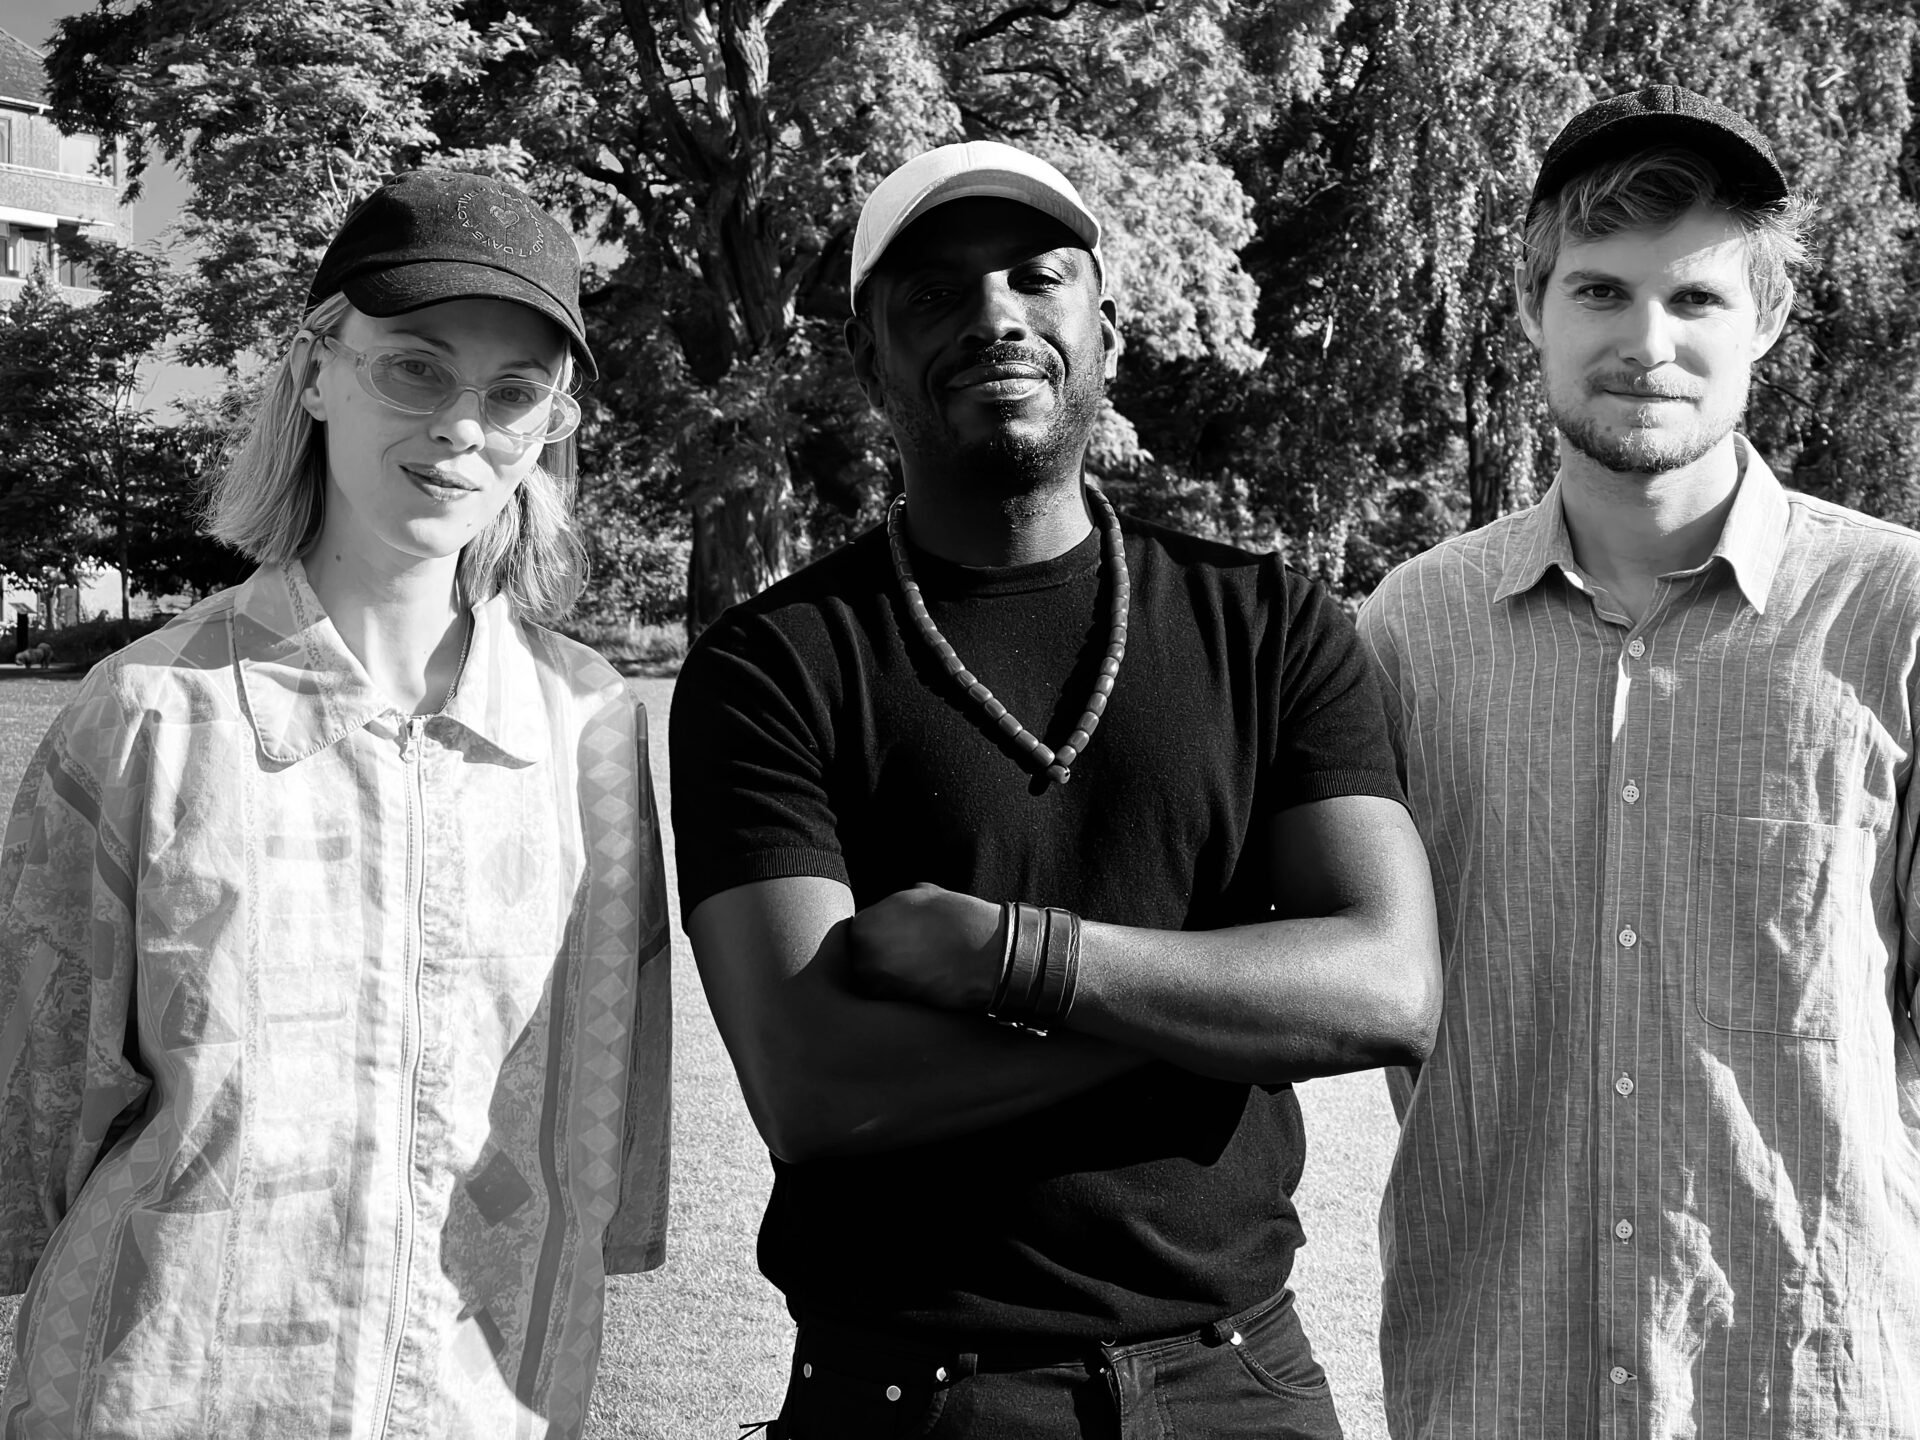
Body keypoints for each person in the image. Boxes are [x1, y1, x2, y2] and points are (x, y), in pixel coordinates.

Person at [669, 139, 1442, 1439]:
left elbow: (1386, 989)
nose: (994, 316)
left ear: (1109, 331)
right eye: (934, 292)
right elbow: (818, 1088)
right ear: (867, 358)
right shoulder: (773, 665)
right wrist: (1231, 996)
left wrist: (1016, 957)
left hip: (1242, 1385)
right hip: (915, 1397)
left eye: (1038, 275)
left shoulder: (1270, 624)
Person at [0, 169, 672, 1438]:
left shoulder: (588, 727)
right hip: (166, 1399)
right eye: (415, 368)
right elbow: (37, 1119)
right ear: (317, 371)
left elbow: (600, 1128)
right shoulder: (146, 715)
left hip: (481, 1404)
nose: (461, 427)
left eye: (513, 393)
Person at [1359, 86, 1920, 1438]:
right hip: (1497, 1380)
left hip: (1809, 1383)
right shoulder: (1412, 631)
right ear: (1533, 306)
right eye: (1601, 291)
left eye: (1696, 299)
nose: (1646, 342)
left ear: (1767, 319)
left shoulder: (1895, 616)